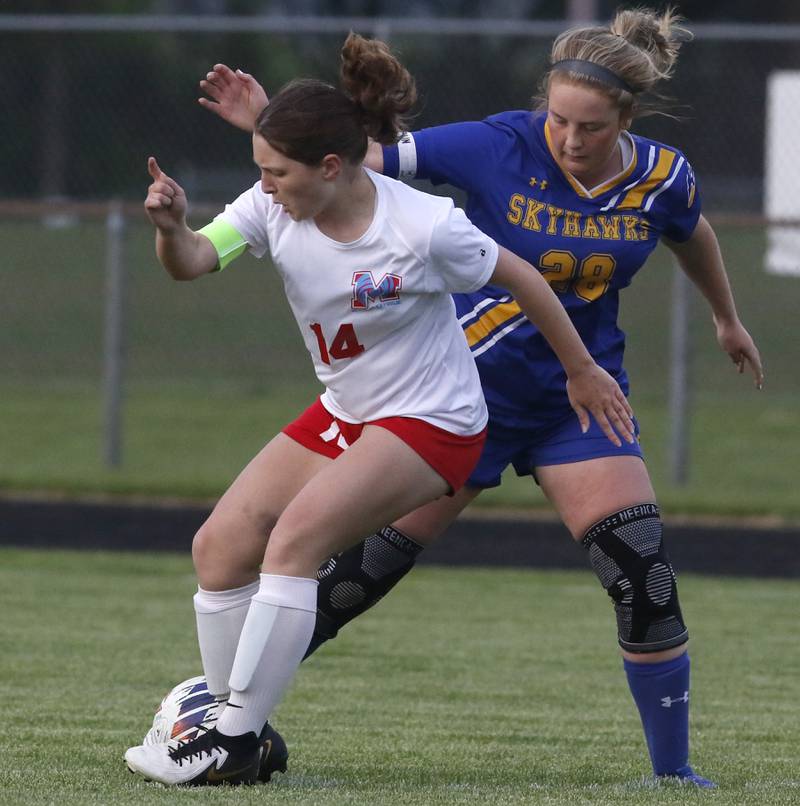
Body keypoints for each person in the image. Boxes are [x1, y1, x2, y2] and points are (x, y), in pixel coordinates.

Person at [196, 8, 764, 789]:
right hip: (458, 397)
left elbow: (690, 231)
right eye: (558, 119)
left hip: (578, 397)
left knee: (642, 575)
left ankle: (674, 776)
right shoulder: (500, 143)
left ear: (625, 119)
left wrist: (726, 317)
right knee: (346, 583)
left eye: (590, 127)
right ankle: (217, 719)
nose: (568, 138)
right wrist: (267, 121)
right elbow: (358, 160)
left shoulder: (665, 176)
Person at [124, 33, 634, 787]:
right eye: (261, 170)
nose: (264, 186)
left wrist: (582, 370)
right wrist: (171, 230)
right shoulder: (274, 205)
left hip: (436, 422)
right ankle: (240, 726)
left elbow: (525, 276)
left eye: (277, 172)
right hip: (350, 410)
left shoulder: (421, 226)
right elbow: (194, 262)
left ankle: (228, 742)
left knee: (293, 543)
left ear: (332, 169)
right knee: (219, 546)